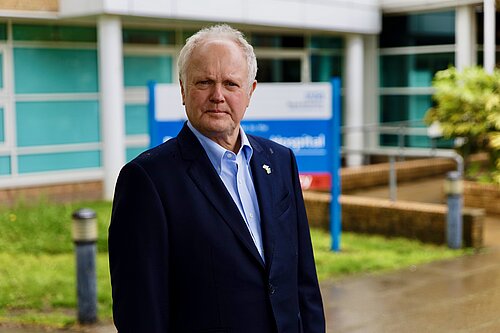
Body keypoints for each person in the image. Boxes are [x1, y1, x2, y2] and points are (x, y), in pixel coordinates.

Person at [108, 24, 325, 333]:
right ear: (183, 90)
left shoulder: (280, 161)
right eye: (204, 82)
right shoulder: (147, 180)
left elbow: (304, 280)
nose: (217, 95)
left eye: (231, 83)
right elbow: (140, 312)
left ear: (250, 92)